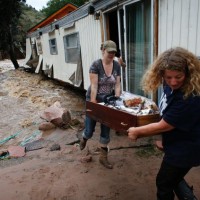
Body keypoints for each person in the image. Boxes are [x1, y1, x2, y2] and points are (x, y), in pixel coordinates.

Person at [127, 47, 200, 199]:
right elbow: (168, 111)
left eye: (178, 77)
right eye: (168, 77)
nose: (173, 82)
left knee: (164, 183)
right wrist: (166, 140)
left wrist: (137, 131)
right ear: (162, 74)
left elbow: (166, 124)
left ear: (187, 73)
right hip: (176, 142)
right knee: (174, 179)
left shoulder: (190, 96)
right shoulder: (170, 84)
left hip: (187, 148)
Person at [80, 40, 121, 169]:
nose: (112, 54)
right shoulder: (96, 65)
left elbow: (118, 84)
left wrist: (117, 98)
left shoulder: (116, 65)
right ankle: (84, 138)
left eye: (114, 52)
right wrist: (93, 103)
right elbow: (94, 85)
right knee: (90, 130)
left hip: (108, 100)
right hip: (94, 98)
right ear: (103, 50)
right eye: (110, 51)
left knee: (106, 129)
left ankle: (103, 158)